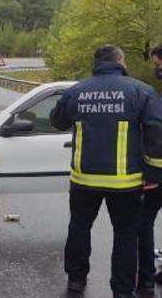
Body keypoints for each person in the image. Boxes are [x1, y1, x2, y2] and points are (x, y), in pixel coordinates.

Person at [50, 45, 162, 298]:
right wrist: (155, 174)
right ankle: (122, 291)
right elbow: (157, 133)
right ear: (120, 61)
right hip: (126, 182)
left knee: (79, 227)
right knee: (126, 235)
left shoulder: (77, 91)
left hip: (84, 179)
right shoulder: (141, 91)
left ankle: (76, 281)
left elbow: (57, 121)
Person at [137, 44, 162, 294]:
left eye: (157, 64)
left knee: (145, 222)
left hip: (158, 175)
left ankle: (145, 279)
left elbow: (156, 132)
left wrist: (152, 173)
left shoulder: (155, 97)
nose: (157, 69)